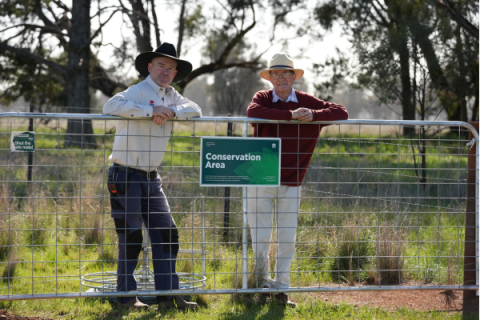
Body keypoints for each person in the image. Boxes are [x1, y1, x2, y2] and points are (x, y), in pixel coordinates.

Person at [103, 42, 201, 311]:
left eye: (171, 67)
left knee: (167, 233)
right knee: (131, 236)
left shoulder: (172, 96)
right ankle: (125, 298)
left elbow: (196, 110)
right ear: (149, 66)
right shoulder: (138, 90)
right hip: (125, 175)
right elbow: (111, 106)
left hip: (151, 178)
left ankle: (167, 296)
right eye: (161, 65)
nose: (166, 71)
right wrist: (151, 111)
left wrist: (172, 111)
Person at [246, 53, 348, 307]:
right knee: (260, 235)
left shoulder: (305, 100)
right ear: (270, 78)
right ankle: (262, 284)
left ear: (294, 77)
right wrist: (291, 116)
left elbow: (341, 112)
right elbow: (253, 112)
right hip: (261, 176)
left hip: (293, 179)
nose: (281, 78)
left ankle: (282, 289)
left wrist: (313, 115)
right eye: (276, 74)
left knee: (287, 237)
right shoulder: (263, 97)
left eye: (286, 73)